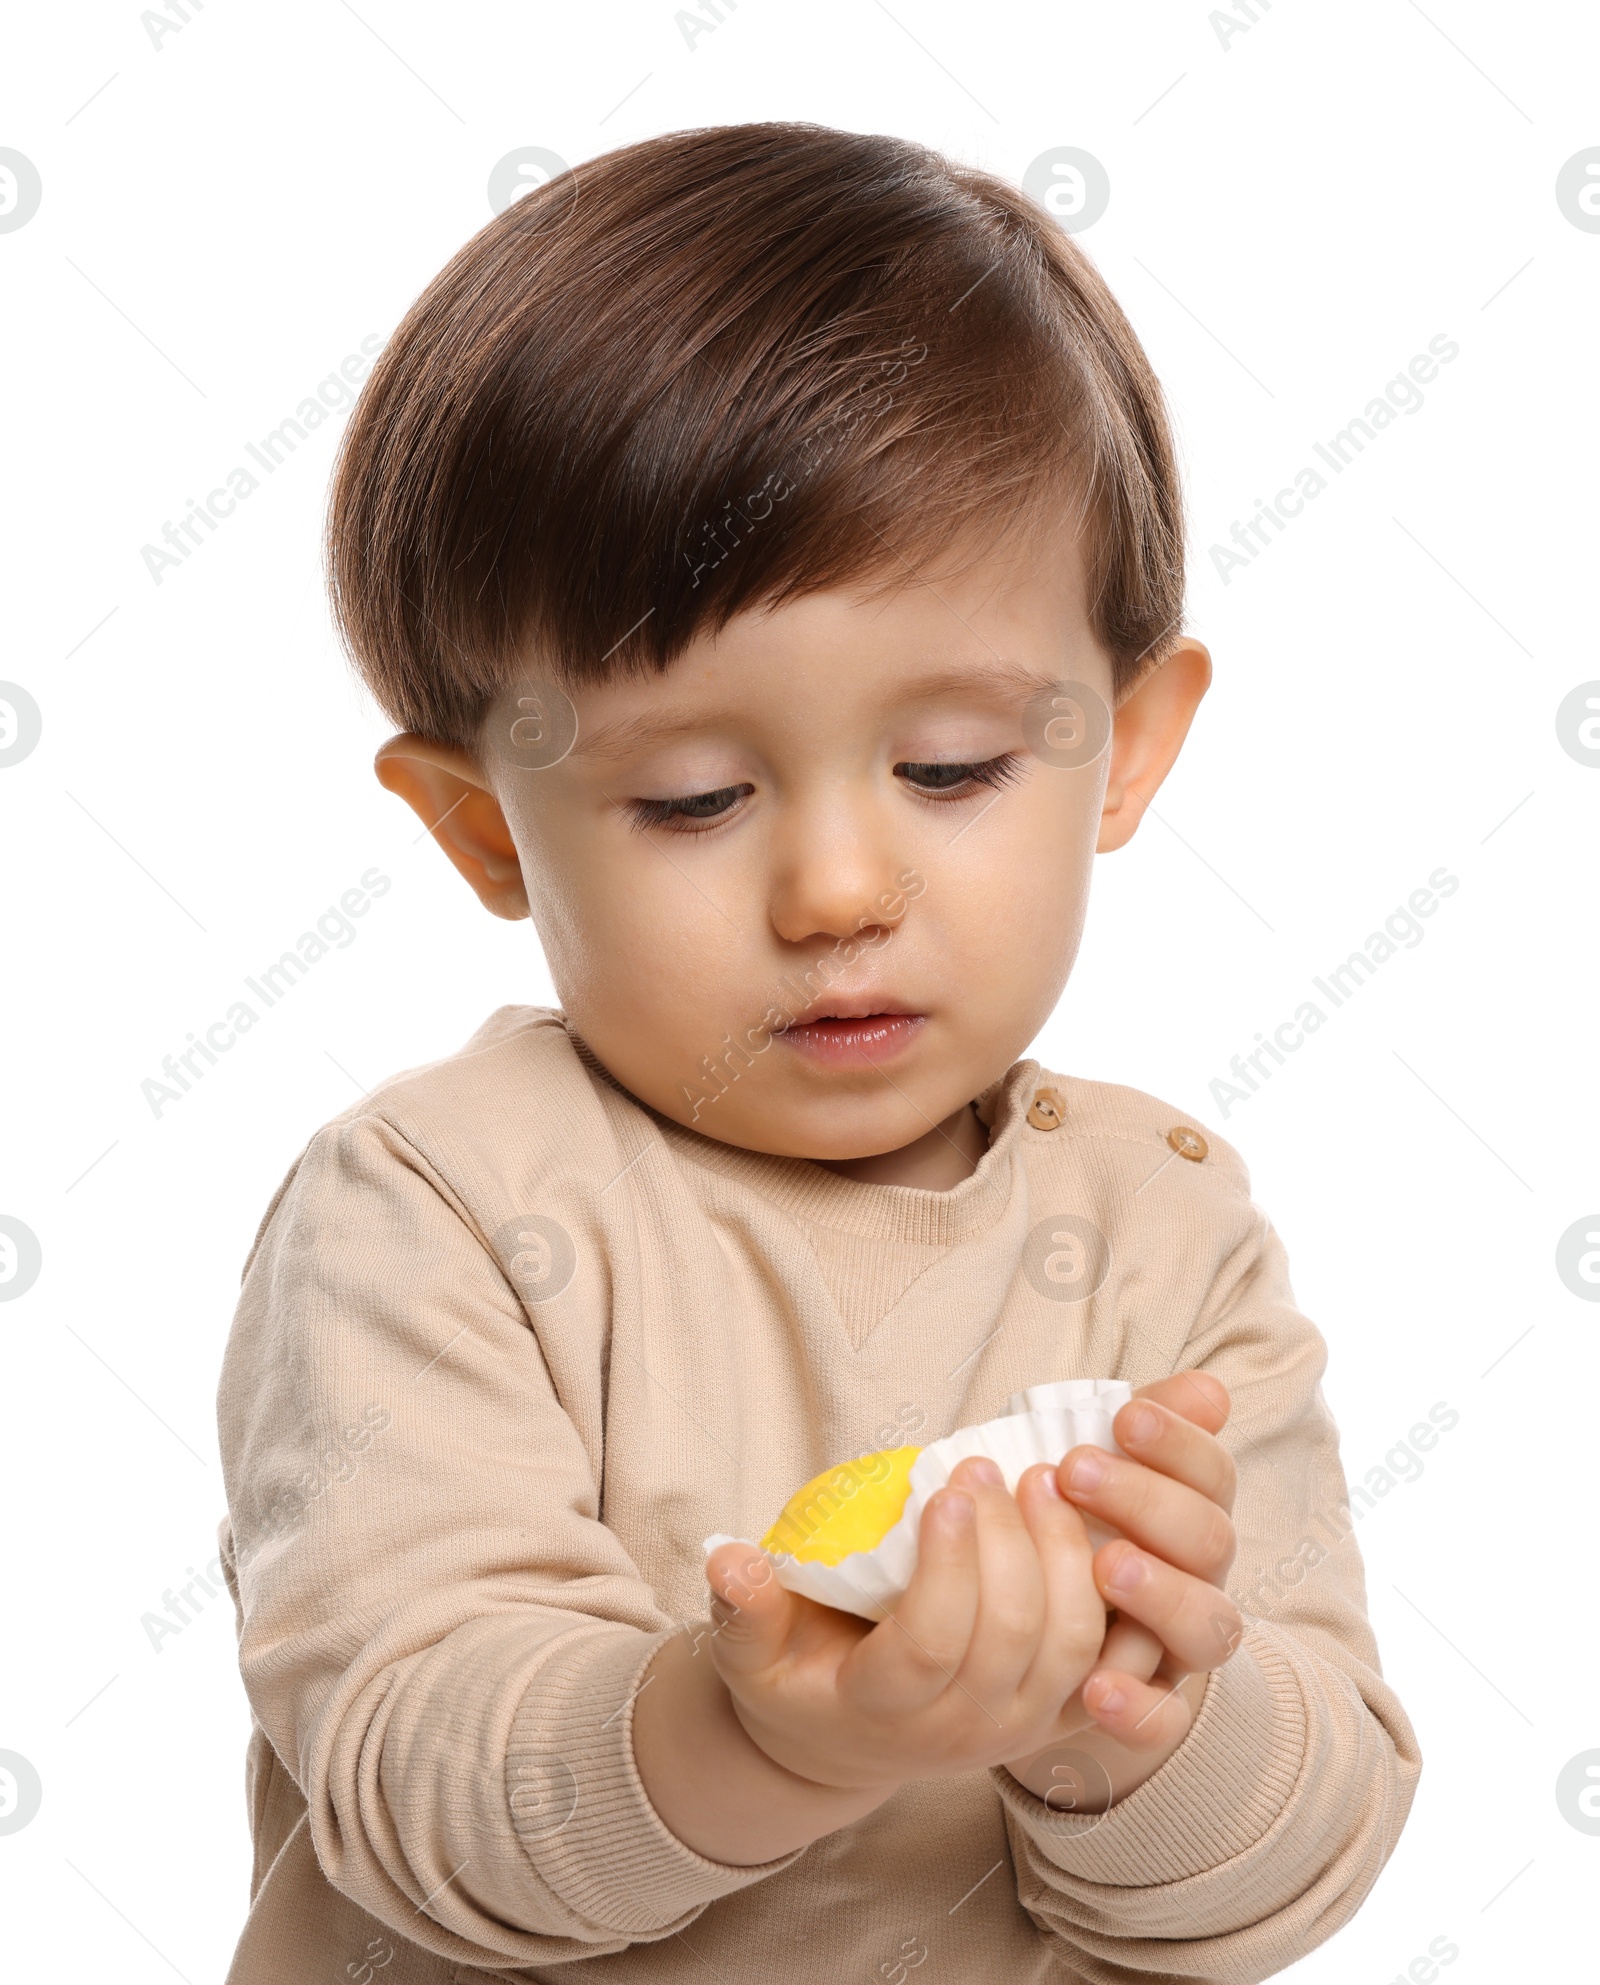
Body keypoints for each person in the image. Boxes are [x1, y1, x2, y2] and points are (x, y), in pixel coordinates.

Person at [214, 120, 1419, 1983]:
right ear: (482, 830)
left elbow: (1295, 1862)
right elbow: (413, 1787)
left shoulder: (1166, 1235)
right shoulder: (439, 1210)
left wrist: (1143, 1723)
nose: (841, 886)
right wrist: (762, 1737)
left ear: (1131, 737)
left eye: (949, 768)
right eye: (693, 797)